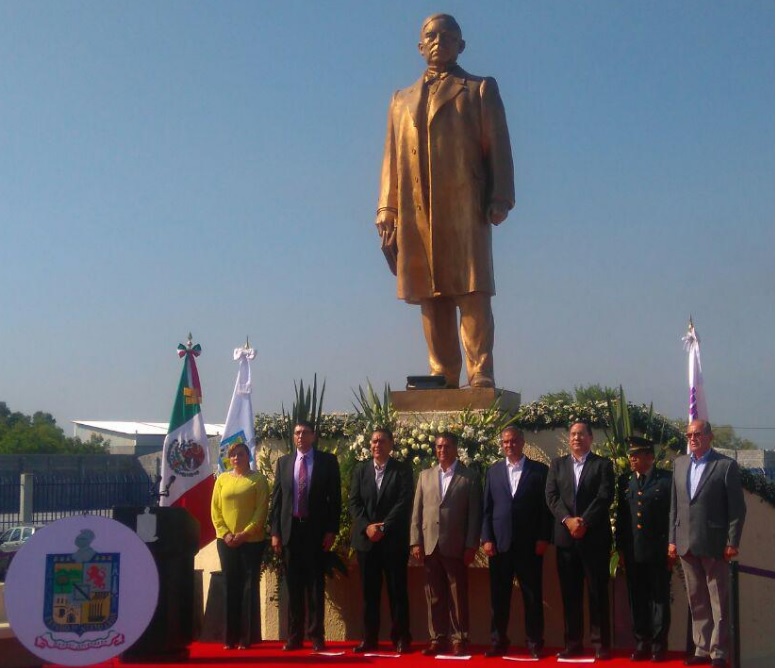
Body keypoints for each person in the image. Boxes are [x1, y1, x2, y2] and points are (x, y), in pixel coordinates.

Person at [375, 13, 514, 390]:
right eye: (431, 36)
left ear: (461, 45)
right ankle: (442, 371)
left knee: (471, 290)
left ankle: (479, 370)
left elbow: (497, 146)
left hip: (463, 205)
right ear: (420, 46)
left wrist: (500, 195)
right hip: (415, 208)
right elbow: (392, 159)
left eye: (448, 36)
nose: (439, 41)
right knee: (429, 294)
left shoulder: (479, 89)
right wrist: (387, 209)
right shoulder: (400, 100)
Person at [669, 419, 747, 667]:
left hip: (714, 544)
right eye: (689, 434)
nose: (693, 438)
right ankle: (701, 648)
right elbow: (675, 507)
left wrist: (732, 541)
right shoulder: (679, 464)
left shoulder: (725, 466)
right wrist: (672, 539)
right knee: (697, 599)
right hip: (685, 543)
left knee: (718, 601)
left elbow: (737, 509)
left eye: (698, 434)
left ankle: (719, 652)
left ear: (710, 437)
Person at [545, 421, 615, 660]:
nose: (576, 438)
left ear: (590, 438)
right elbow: (551, 496)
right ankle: (573, 643)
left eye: (581, 434)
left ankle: (600, 644)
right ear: (569, 438)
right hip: (566, 540)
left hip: (594, 539)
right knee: (570, 594)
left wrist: (583, 522)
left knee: (597, 593)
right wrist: (568, 520)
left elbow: (605, 496)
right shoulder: (557, 465)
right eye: (573, 434)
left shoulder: (603, 465)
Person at [269, 420, 341, 652]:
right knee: (293, 587)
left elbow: (335, 500)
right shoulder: (284, 463)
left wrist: (331, 530)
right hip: (291, 532)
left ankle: (316, 636)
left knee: (315, 587)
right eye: (297, 433)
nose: (300, 436)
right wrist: (275, 533)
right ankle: (294, 636)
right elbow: (277, 501)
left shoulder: (327, 462)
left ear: (313, 436)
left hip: (315, 532)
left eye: (305, 433)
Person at [481, 426, 552, 658]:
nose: (508, 445)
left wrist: (543, 537)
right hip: (500, 545)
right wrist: (487, 538)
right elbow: (487, 509)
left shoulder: (539, 471)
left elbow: (545, 510)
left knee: (532, 597)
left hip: (529, 545)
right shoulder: (493, 472)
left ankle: (534, 643)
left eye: (513, 441)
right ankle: (498, 641)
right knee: (499, 598)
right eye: (505, 442)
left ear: (522, 442)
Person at [410, 431, 482, 657]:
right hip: (430, 545)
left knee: (457, 594)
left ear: (456, 448)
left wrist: (471, 545)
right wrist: (415, 542)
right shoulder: (425, 476)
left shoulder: (469, 477)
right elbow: (417, 512)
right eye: (439, 447)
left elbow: (474, 515)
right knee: (434, 595)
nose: (442, 450)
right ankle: (437, 638)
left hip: (456, 545)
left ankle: (459, 638)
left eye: (447, 446)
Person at [348, 428, 414, 654]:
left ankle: (401, 638)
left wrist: (383, 527)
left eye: (382, 441)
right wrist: (367, 527)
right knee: (369, 594)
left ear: (391, 444)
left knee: (397, 592)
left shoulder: (402, 470)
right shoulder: (360, 470)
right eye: (374, 441)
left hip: (393, 542)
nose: (378, 445)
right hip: (367, 543)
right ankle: (369, 638)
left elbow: (404, 503)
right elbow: (354, 503)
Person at [615, 437, 674, 662]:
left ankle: (659, 646)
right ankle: (642, 643)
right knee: (637, 599)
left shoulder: (665, 481)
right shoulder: (625, 481)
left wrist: (671, 547)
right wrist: (620, 548)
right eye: (631, 455)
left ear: (650, 457)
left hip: (658, 551)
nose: (632, 458)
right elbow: (622, 518)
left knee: (659, 600)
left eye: (637, 455)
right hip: (633, 551)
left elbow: (673, 516)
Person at [210, 441, 269, 650]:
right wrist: (226, 534)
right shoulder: (222, 479)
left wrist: (244, 534)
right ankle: (230, 637)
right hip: (225, 542)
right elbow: (215, 510)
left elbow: (261, 511)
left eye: (241, 454)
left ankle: (247, 638)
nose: (237, 458)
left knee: (248, 587)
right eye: (233, 455)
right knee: (230, 586)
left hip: (251, 542)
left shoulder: (258, 480)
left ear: (248, 457)